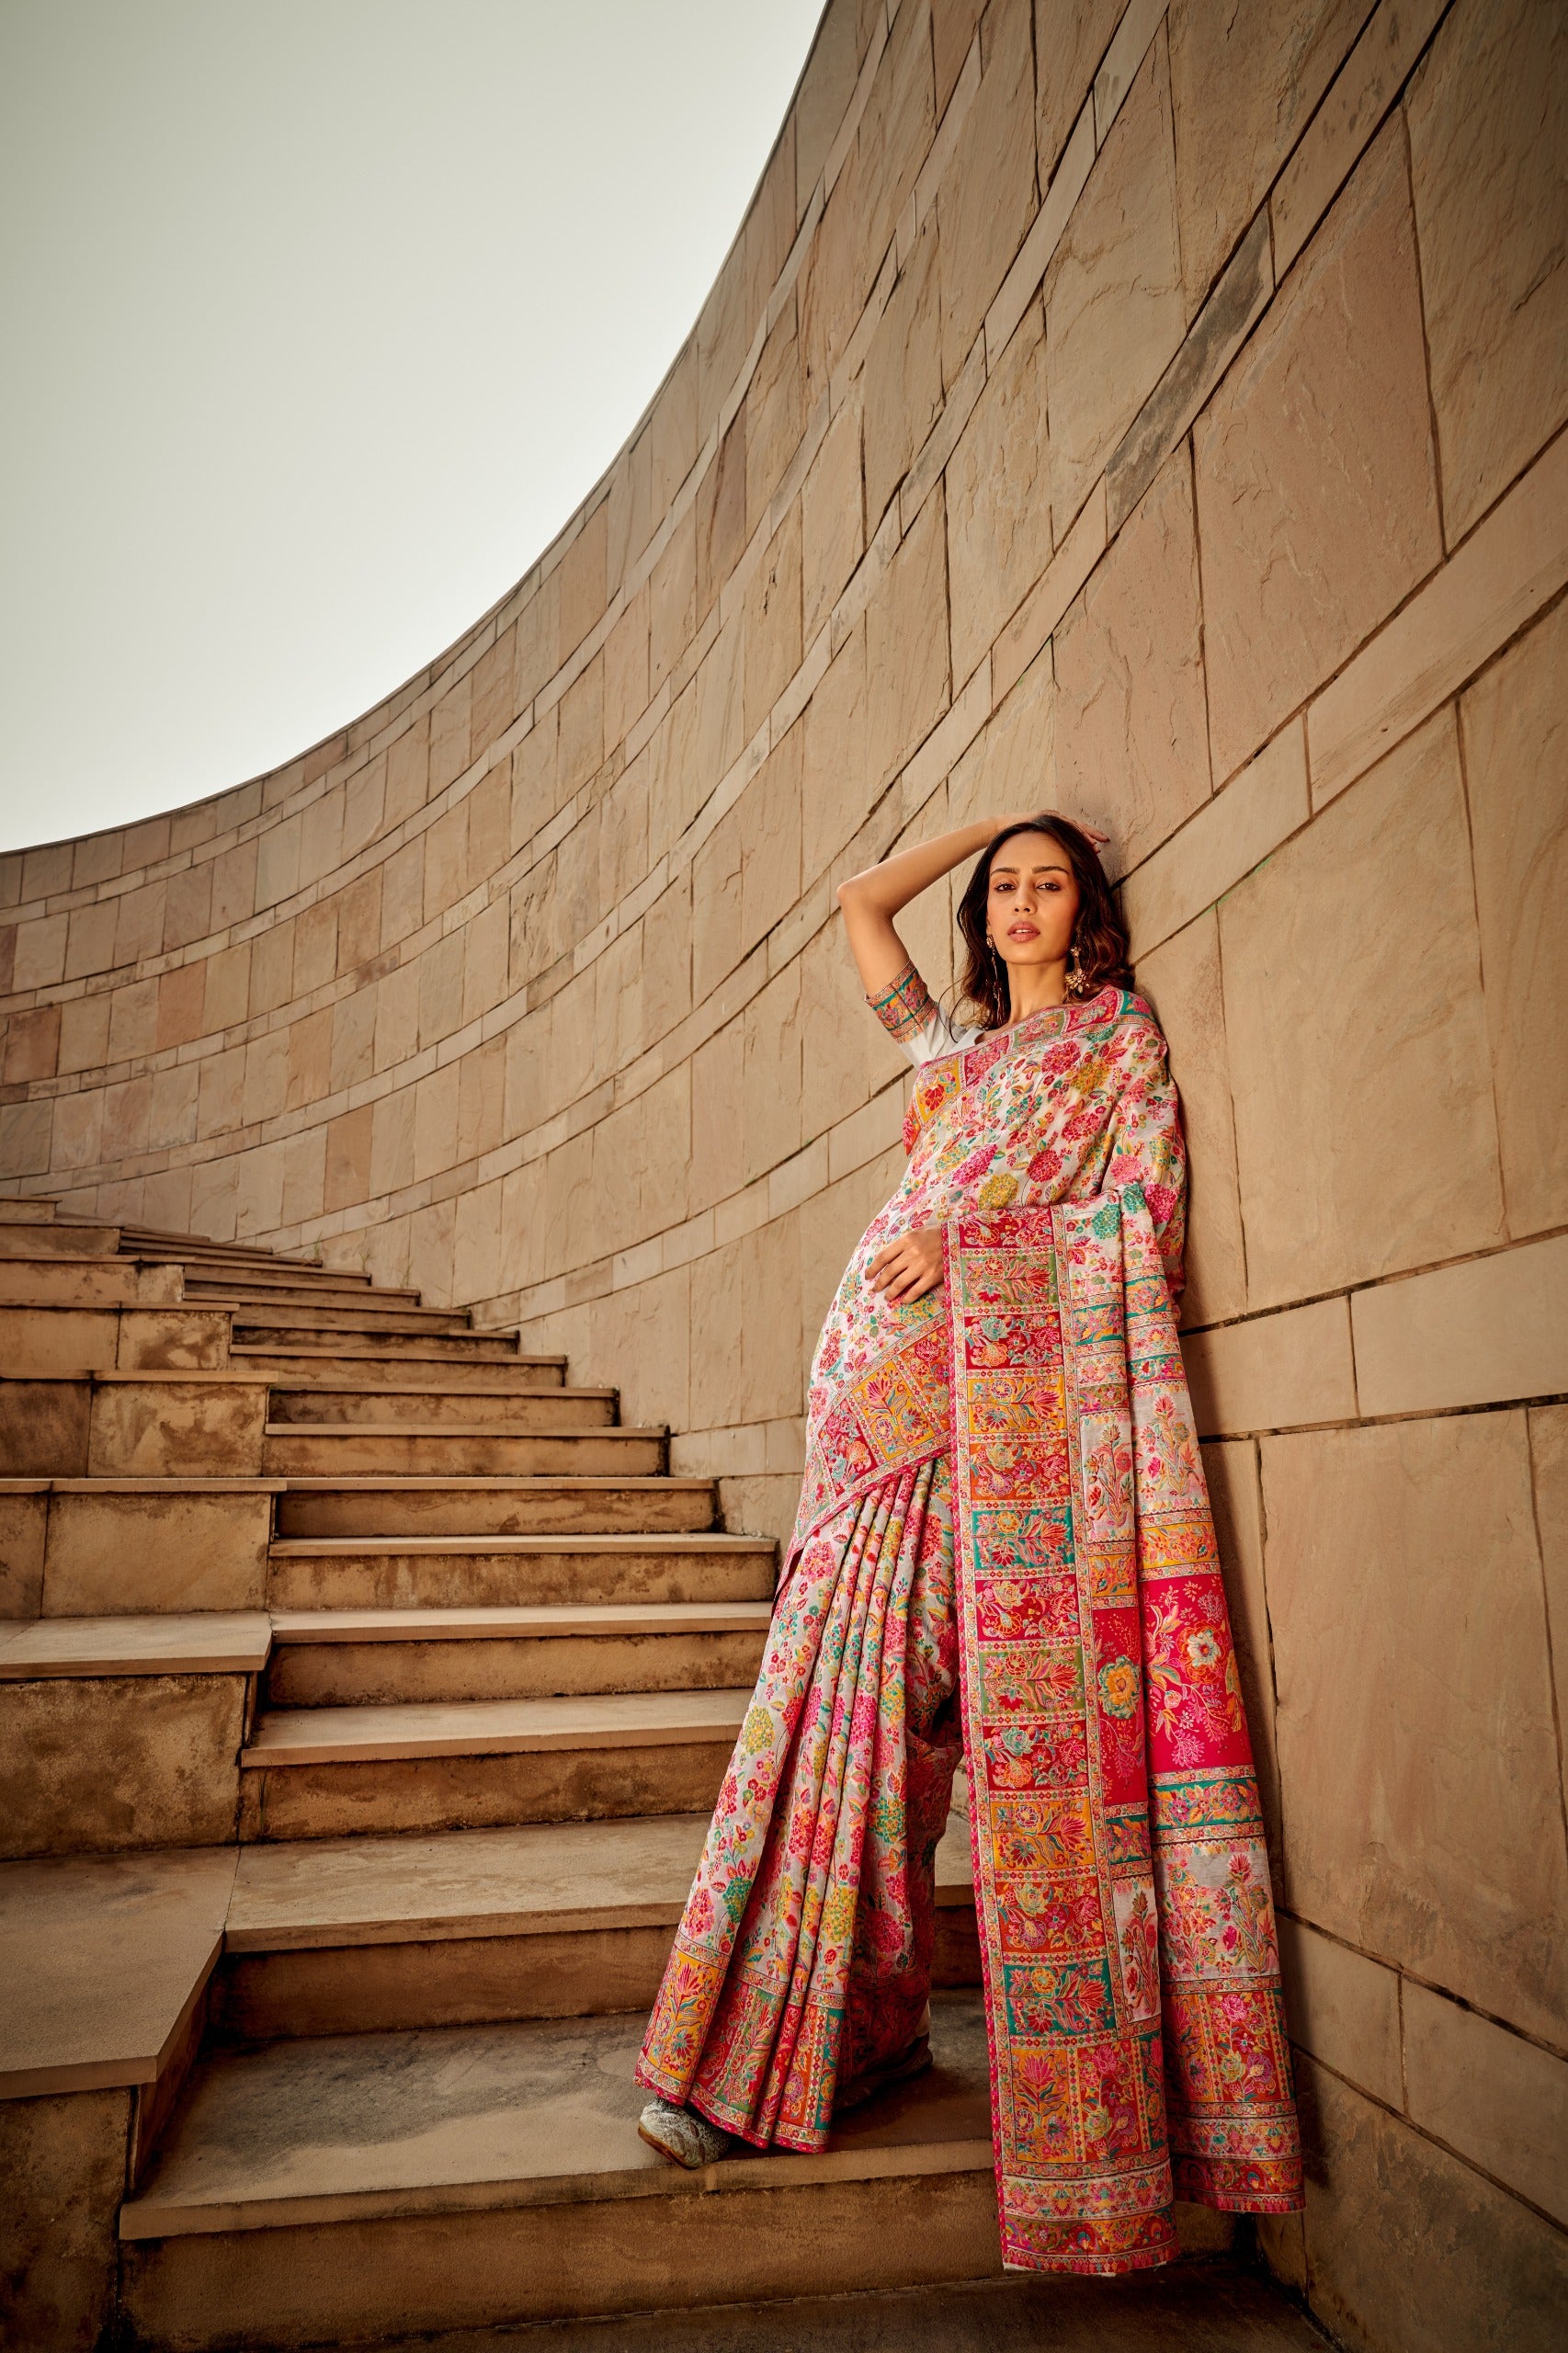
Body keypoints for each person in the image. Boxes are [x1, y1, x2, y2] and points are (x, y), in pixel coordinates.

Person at [635, 810, 1302, 2275]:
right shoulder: (950, 1056)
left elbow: (1144, 1213)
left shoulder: (1115, 1047)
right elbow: (854, 901)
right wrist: (982, 823)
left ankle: (842, 2029)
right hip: (869, 1395)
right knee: (841, 1710)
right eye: (1004, 888)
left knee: (907, 1713)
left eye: (1046, 882)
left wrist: (980, 1247)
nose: (1017, 904)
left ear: (1089, 910)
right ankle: (794, 2042)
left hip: (992, 1400)